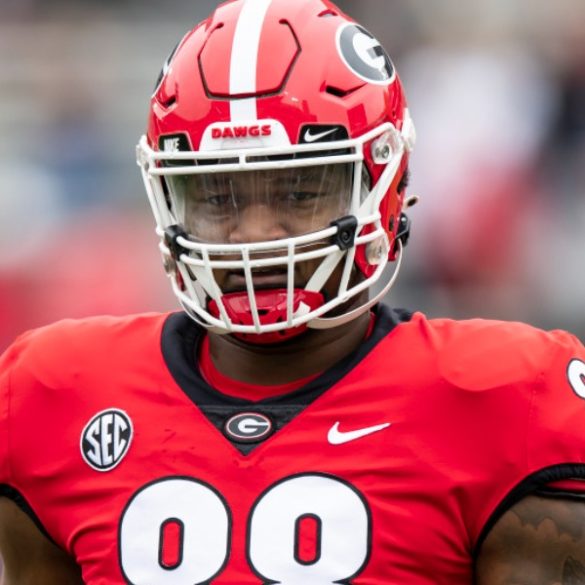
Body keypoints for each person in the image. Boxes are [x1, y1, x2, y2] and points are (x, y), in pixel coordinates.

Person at [1, 0, 585, 583]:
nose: (255, 233)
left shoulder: (510, 402)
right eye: (219, 197)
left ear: (384, 185)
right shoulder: (54, 394)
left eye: (300, 192)